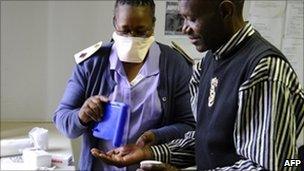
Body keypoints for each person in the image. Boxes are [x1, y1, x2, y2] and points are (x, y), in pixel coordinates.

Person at [91, 0, 304, 170]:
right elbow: (204, 142)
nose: (184, 28)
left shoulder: (263, 70)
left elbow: (271, 166)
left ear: (226, 11)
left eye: (192, 19)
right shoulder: (207, 64)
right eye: (182, 18)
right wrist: (149, 153)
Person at [52, 0, 196, 170]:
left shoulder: (174, 64)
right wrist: (81, 116)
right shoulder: (91, 64)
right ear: (115, 22)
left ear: (153, 25)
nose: (132, 37)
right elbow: (62, 119)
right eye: (125, 30)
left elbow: (189, 126)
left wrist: (155, 137)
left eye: (141, 31)